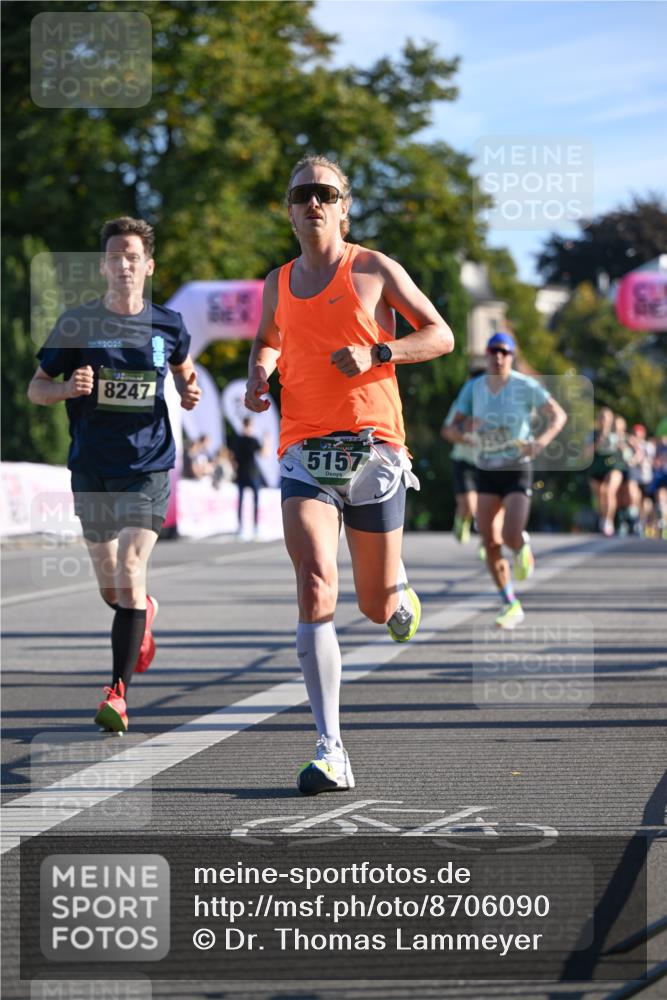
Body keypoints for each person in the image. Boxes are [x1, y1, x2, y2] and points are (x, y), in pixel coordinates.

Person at [244, 154, 454, 794]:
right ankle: (330, 748)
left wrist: (378, 351)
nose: (313, 202)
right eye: (301, 194)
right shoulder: (278, 282)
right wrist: (258, 374)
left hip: (375, 450)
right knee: (314, 582)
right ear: (289, 210)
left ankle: (397, 588)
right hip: (304, 449)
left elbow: (440, 335)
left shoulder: (373, 269)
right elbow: (268, 340)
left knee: (375, 605)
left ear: (344, 207)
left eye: (325, 193)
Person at [27, 216, 201, 732]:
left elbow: (185, 369)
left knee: (129, 567)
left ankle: (117, 694)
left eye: (133, 257)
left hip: (149, 466)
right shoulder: (77, 324)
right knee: (113, 589)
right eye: (114, 257)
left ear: (149, 267)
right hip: (92, 468)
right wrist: (66, 388)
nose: (124, 265)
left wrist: (189, 390)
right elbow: (37, 387)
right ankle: (144, 610)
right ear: (103, 267)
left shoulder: (168, 325)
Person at [448, 332, 567, 629]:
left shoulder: (524, 386)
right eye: (493, 351)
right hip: (486, 468)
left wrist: (540, 442)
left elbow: (558, 415)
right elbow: (451, 428)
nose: (498, 356)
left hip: (517, 466)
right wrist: (467, 435)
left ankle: (521, 544)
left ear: (512, 356)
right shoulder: (473, 388)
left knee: (510, 534)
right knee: (489, 541)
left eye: (504, 352)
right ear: (487, 355)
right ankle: (510, 603)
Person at [441, 368, 485, 548]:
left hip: (488, 462)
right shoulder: (461, 405)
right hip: (464, 460)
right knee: (469, 506)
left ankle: (487, 543)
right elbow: (446, 431)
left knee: (486, 508)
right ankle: (462, 519)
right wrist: (465, 438)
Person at [585, 407, 624, 536]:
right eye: (602, 418)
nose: (604, 421)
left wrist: (622, 446)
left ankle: (608, 521)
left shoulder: (618, 434)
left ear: (611, 420)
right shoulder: (592, 435)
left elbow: (628, 455)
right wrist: (597, 443)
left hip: (614, 467)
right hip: (597, 469)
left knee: (609, 491)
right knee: (600, 496)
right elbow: (586, 454)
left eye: (607, 418)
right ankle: (603, 518)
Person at [230, 416, 268, 538]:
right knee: (253, 501)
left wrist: (234, 468)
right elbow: (264, 454)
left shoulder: (238, 439)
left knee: (242, 501)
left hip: (243, 473)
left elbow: (232, 457)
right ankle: (254, 527)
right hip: (251, 473)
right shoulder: (252, 439)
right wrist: (267, 441)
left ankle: (242, 527)